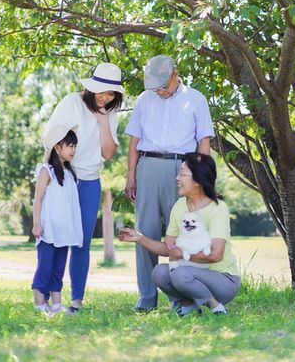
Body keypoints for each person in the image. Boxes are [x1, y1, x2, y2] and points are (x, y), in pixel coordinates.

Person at [124, 55, 215, 312]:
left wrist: (200, 178)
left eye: (163, 86)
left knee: (183, 234)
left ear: (176, 73)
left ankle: (182, 299)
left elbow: (204, 143)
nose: (159, 92)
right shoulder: (144, 99)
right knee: (145, 232)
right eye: (155, 87)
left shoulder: (195, 99)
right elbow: (134, 142)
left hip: (183, 168)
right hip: (148, 167)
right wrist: (131, 175)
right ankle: (146, 299)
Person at [42, 62, 123, 312]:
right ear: (91, 87)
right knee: (55, 239)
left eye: (111, 94)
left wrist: (102, 122)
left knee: (81, 241)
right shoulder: (71, 102)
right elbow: (49, 140)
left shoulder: (110, 113)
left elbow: (108, 153)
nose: (105, 97)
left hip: (89, 182)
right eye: (101, 91)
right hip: (63, 178)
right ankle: (46, 298)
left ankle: (77, 300)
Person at [119, 152, 241, 316]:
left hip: (223, 280)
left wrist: (183, 255)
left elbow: (215, 255)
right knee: (159, 272)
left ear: (198, 180)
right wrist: (139, 238)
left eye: (183, 174)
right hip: (190, 275)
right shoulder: (180, 206)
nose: (177, 178)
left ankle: (215, 305)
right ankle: (190, 305)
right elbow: (169, 248)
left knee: (180, 272)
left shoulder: (218, 208)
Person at [31, 126, 83, 315]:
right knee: (45, 267)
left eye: (75, 147)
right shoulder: (47, 170)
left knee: (58, 268)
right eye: (70, 146)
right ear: (57, 147)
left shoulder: (70, 172)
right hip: (48, 230)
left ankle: (56, 304)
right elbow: (37, 199)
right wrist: (37, 223)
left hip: (64, 231)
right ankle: (39, 304)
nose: (73, 150)